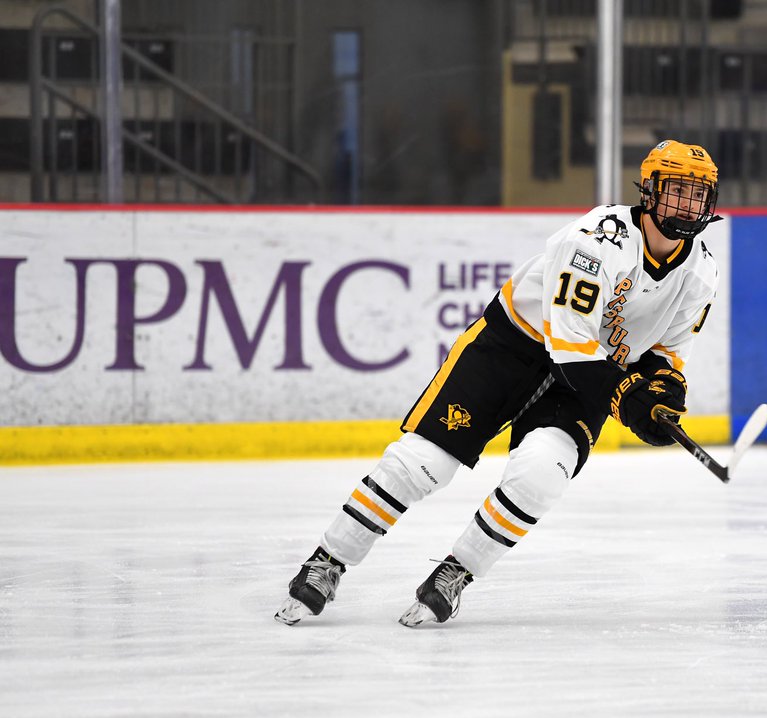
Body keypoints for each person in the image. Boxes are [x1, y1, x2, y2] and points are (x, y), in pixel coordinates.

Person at [275, 140, 721, 627]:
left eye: (699, 195)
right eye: (678, 191)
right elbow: (569, 345)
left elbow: (667, 356)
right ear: (651, 193)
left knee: (541, 474)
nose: (689, 205)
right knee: (423, 462)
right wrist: (624, 398)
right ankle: (327, 561)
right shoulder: (597, 241)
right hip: (515, 347)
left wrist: (661, 396)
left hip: (587, 378)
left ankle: (456, 573)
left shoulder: (702, 271)